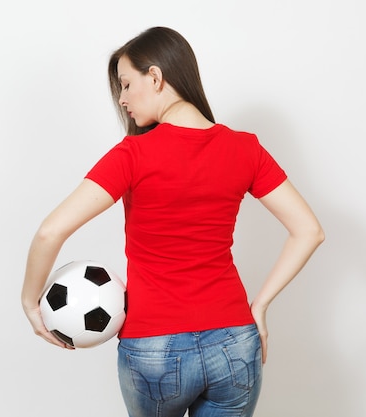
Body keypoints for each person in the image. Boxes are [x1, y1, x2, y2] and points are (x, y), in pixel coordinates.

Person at [21, 26, 324, 417]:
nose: (122, 98)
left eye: (127, 84)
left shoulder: (132, 154)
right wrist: (260, 306)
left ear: (156, 76)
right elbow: (309, 231)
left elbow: (50, 230)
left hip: (154, 348)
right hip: (235, 341)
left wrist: (31, 303)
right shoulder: (245, 148)